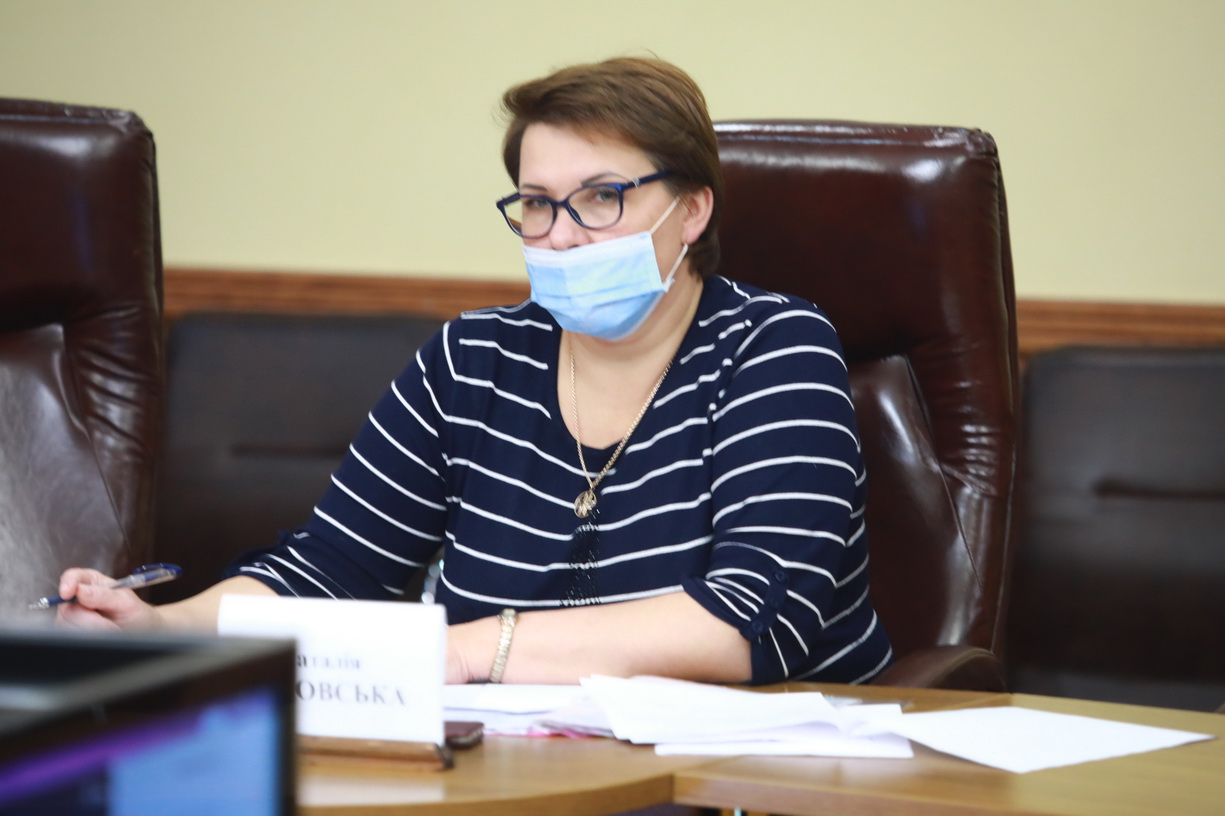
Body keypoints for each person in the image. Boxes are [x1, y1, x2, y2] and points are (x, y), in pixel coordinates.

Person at [57, 57, 892, 687]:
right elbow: (331, 571)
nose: (560, 235)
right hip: (513, 770)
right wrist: (160, 629)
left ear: (692, 210)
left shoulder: (774, 348)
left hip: (757, 776)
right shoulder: (474, 359)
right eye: (536, 203)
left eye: (600, 197)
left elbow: (748, 620)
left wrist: (465, 651)